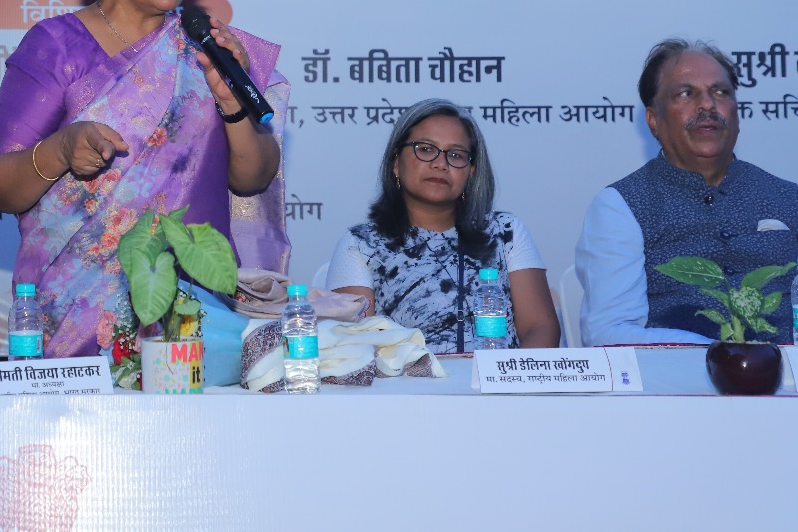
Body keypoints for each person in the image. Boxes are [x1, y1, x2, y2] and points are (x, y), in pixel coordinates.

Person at [0, 0, 290, 359]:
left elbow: (253, 179)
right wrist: (61, 149)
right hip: (75, 317)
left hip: (193, 311)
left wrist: (231, 102)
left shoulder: (206, 46)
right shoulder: (57, 46)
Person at [575, 38, 798, 346]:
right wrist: (720, 354)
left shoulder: (788, 198)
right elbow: (609, 333)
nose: (707, 105)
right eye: (686, 93)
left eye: (720, 92)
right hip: (677, 374)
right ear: (654, 120)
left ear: (737, 112)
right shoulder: (621, 206)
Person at [325, 98, 559, 353]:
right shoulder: (361, 245)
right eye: (425, 149)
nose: (440, 163)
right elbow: (354, 348)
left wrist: (507, 374)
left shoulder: (505, 232)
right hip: (404, 379)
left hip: (498, 376)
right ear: (396, 163)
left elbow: (541, 327)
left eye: (456, 155)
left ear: (471, 171)